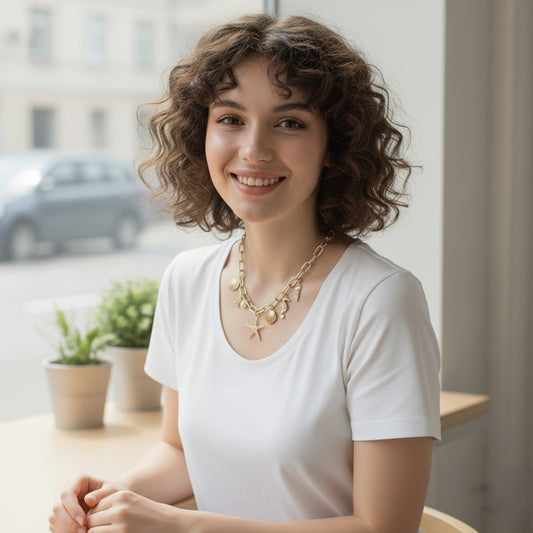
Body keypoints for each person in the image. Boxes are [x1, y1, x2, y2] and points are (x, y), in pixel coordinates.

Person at [49, 13, 440, 533]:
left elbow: (384, 528)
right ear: (201, 135)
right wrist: (110, 499)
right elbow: (180, 449)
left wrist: (183, 527)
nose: (253, 150)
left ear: (334, 147)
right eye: (230, 118)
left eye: (290, 122)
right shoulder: (187, 280)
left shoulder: (380, 301)